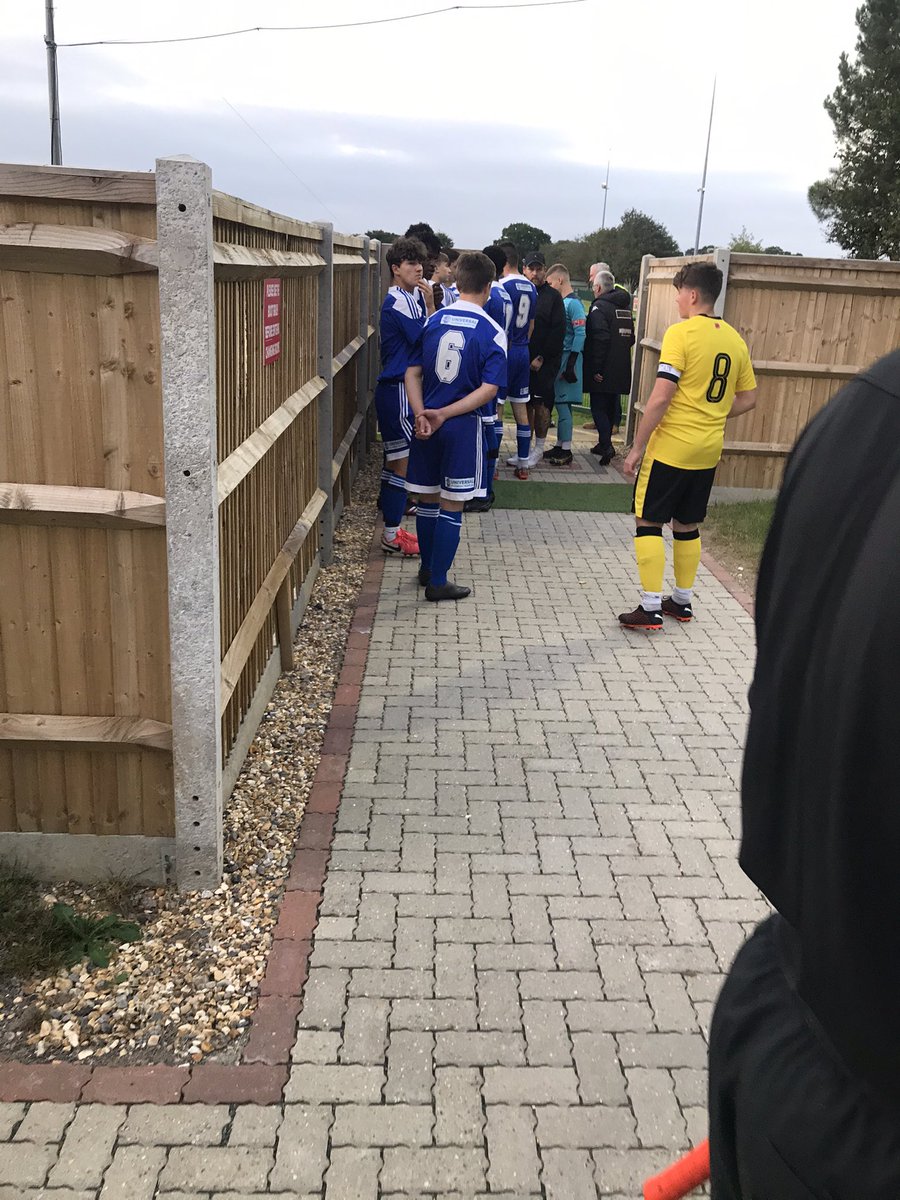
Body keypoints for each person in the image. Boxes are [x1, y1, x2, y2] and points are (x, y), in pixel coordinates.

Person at [708, 348, 900, 1199]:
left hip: (783, 1021)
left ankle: (661, 600)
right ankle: (670, 599)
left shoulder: (861, 410)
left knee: (660, 526)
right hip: (863, 1088)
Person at [619, 262, 756, 630]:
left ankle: (649, 608)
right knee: (687, 523)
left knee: (648, 519)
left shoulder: (681, 334)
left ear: (693, 295)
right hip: (708, 448)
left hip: (672, 448)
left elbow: (662, 397)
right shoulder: (734, 339)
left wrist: (636, 449)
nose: (677, 300)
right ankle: (681, 601)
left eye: (679, 292)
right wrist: (712, 414)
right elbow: (749, 398)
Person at [404, 251, 507, 601]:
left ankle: (426, 569)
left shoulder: (433, 321)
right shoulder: (492, 331)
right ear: (489, 287)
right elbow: (489, 389)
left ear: (457, 282)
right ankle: (438, 580)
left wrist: (422, 412)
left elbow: (412, 371)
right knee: (453, 503)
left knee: (428, 499)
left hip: (426, 423)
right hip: (460, 426)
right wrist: (446, 414)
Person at [374, 237, 435, 556]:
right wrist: (431, 308)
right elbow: (424, 337)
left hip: (403, 388)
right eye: (411, 263)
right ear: (395, 269)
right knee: (402, 463)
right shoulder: (396, 300)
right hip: (397, 389)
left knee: (396, 463)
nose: (418, 267)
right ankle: (390, 535)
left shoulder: (409, 296)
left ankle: (393, 530)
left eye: (420, 262)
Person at [466, 244, 513, 513]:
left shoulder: (491, 297)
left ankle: (483, 488)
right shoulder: (504, 293)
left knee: (486, 423)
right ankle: (487, 480)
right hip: (502, 357)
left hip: (489, 363)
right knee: (493, 419)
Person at [585, 269, 635, 464]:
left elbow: (600, 338)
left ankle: (607, 446)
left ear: (598, 288)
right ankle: (602, 443)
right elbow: (630, 338)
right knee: (608, 406)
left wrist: (596, 369)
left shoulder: (599, 308)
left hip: (604, 368)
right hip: (621, 366)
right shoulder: (624, 307)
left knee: (598, 407)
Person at [496, 242, 537, 479]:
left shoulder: (502, 286)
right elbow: (531, 325)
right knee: (521, 407)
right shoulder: (531, 287)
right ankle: (523, 463)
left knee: (499, 407)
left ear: (502, 263)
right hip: (523, 350)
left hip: (506, 350)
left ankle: (493, 465)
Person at [522, 251, 565, 466]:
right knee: (524, 404)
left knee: (541, 405)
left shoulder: (553, 296)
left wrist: (540, 357)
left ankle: (539, 448)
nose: (535, 273)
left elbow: (558, 332)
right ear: (524, 270)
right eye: (532, 268)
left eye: (539, 269)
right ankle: (525, 448)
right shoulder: (521, 293)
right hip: (523, 359)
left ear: (545, 270)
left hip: (545, 363)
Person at [544, 263, 586, 466]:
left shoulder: (574, 304)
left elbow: (581, 333)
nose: (549, 286)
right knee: (561, 403)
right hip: (562, 357)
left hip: (569, 358)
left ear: (560, 280)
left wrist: (571, 363)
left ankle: (566, 449)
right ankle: (560, 444)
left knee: (562, 403)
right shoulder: (563, 302)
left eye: (550, 282)